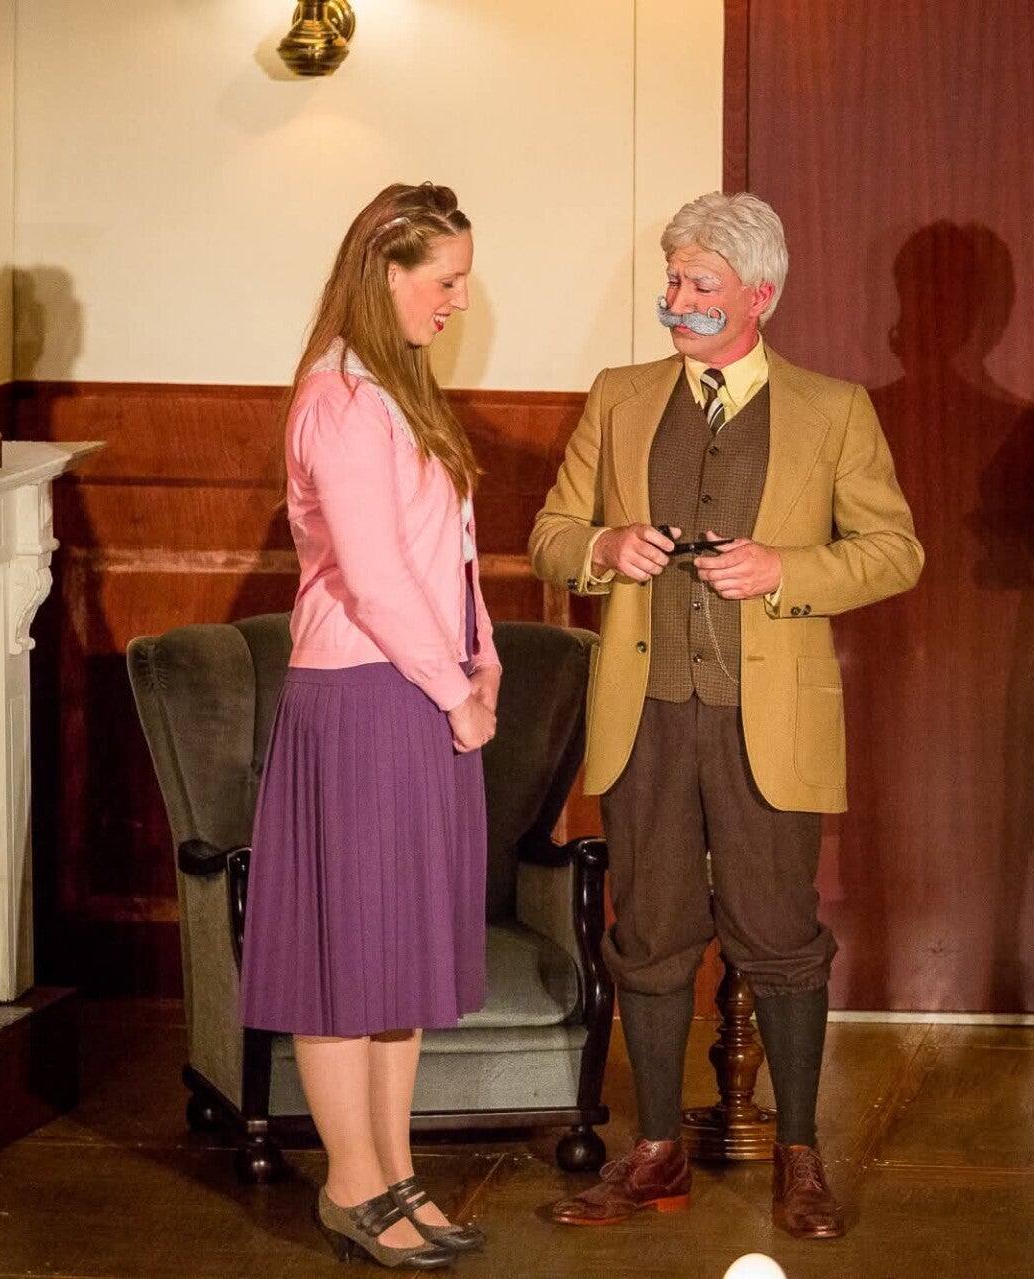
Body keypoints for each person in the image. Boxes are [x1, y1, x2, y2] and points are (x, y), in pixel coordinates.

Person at [530, 191, 923, 1238]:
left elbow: (894, 551)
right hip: (645, 714)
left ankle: (799, 1154)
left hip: (769, 719)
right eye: (670, 279)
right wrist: (603, 548)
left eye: (698, 284)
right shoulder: (619, 397)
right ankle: (655, 1151)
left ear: (760, 294)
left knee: (780, 937)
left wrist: (784, 569)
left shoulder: (832, 409)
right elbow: (552, 532)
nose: (674, 300)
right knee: (649, 934)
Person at [237, 182, 497, 1270]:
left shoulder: (400, 391)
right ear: (388, 274)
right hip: (360, 695)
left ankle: (395, 1171)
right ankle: (350, 1182)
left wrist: (481, 656)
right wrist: (454, 689)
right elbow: (378, 578)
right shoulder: (338, 399)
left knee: (399, 953)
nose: (458, 299)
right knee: (350, 949)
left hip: (420, 689)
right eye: (446, 280)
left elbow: (448, 557)